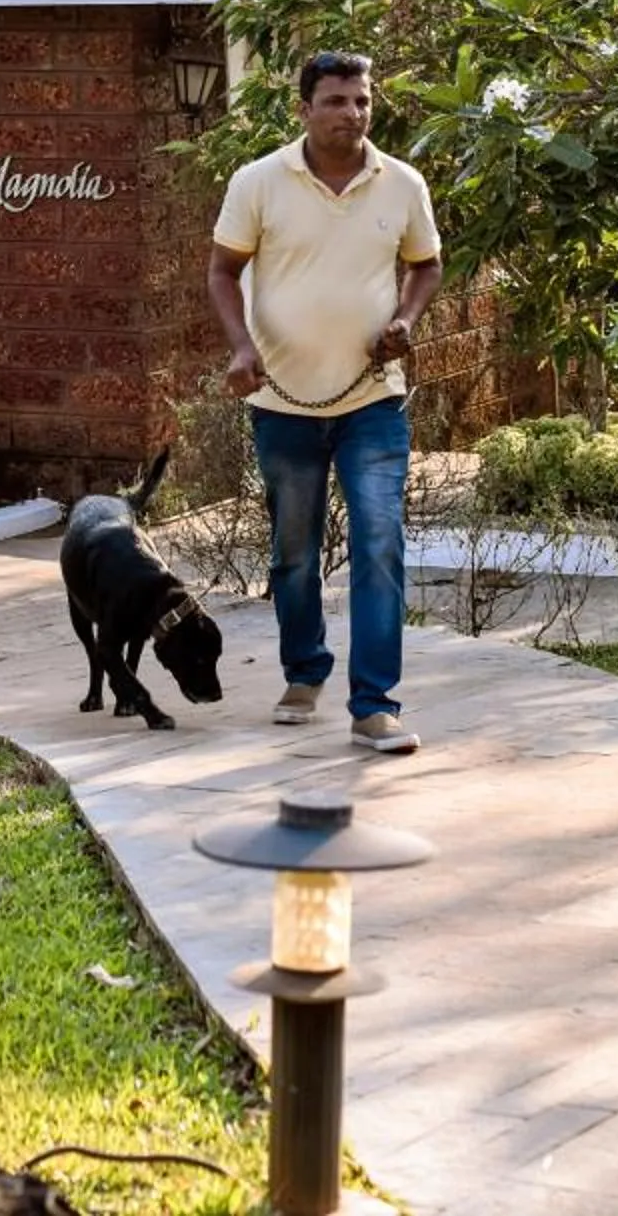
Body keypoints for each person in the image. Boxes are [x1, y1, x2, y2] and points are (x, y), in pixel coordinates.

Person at [207, 49, 443, 755]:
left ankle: (375, 706)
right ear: (304, 108)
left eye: (362, 101)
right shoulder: (259, 182)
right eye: (337, 101)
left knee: (378, 542)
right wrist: (242, 348)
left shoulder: (401, 183)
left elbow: (425, 264)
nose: (353, 113)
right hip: (281, 403)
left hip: (373, 398)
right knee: (293, 551)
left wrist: (406, 319)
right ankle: (303, 671)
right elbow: (222, 271)